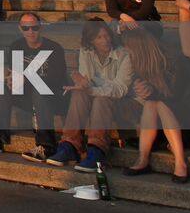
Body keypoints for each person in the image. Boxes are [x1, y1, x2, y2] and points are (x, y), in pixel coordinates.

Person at [0, 14, 69, 160]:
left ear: (40, 28)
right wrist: (10, 80)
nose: (30, 31)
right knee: (4, 88)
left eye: (34, 28)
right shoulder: (17, 46)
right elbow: (15, 73)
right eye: (26, 28)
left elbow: (56, 80)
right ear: (20, 29)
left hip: (52, 98)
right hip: (28, 97)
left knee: (40, 89)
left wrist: (27, 78)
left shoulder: (54, 48)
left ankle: (46, 146)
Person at [120, 26, 190, 183]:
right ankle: (143, 158)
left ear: (139, 49)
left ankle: (180, 162)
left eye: (129, 50)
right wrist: (141, 90)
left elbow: (174, 95)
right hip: (166, 116)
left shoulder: (174, 61)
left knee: (159, 103)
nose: (127, 54)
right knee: (151, 104)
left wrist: (151, 92)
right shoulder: (140, 66)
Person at [47, 19, 134, 172]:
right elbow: (86, 80)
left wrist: (91, 89)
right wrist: (83, 86)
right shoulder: (85, 51)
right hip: (96, 96)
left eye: (106, 36)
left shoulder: (124, 54)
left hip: (122, 102)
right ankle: (70, 145)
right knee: (79, 94)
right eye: (99, 37)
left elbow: (120, 88)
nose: (105, 40)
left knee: (101, 99)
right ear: (91, 40)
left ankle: (96, 149)